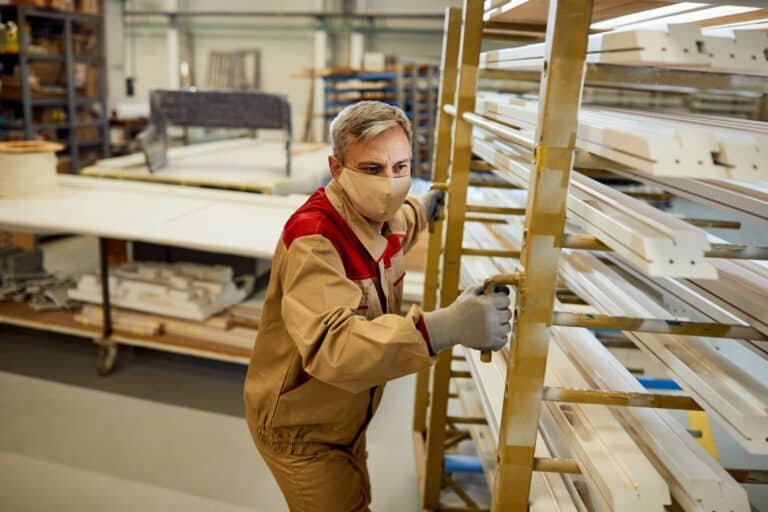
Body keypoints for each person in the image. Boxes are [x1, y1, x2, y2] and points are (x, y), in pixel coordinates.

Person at [243, 101, 511, 512]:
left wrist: (425, 207)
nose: (389, 183)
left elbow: (401, 225)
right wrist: (441, 328)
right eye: (372, 169)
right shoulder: (315, 239)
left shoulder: (379, 215)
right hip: (302, 428)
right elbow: (334, 347)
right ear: (337, 169)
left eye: (400, 167)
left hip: (345, 415)